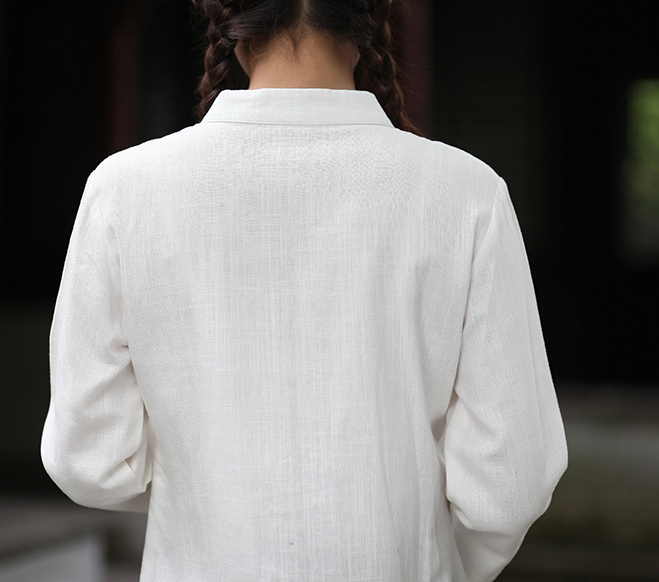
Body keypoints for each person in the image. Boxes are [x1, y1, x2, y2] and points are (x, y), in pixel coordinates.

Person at [41, 1, 567, 580]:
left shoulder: (123, 192)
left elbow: (88, 458)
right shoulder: (468, 194)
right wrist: (429, 555)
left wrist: (214, 501)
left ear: (231, 20)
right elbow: (509, 482)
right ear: (370, 18)